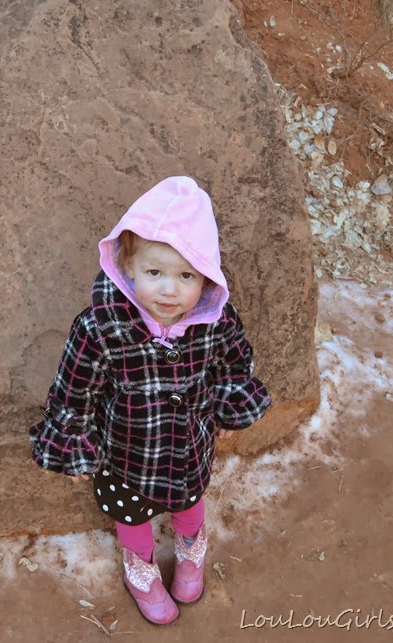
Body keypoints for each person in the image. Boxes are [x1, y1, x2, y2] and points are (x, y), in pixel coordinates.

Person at [29, 176, 272, 625]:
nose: (169, 291)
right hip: (126, 453)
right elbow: (74, 389)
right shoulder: (101, 327)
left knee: (190, 502)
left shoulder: (215, 322)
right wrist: (75, 445)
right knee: (131, 515)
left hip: (188, 447)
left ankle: (190, 550)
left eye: (186, 276)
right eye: (154, 273)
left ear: (207, 278)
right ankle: (141, 568)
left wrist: (223, 403)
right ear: (127, 264)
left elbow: (235, 365)